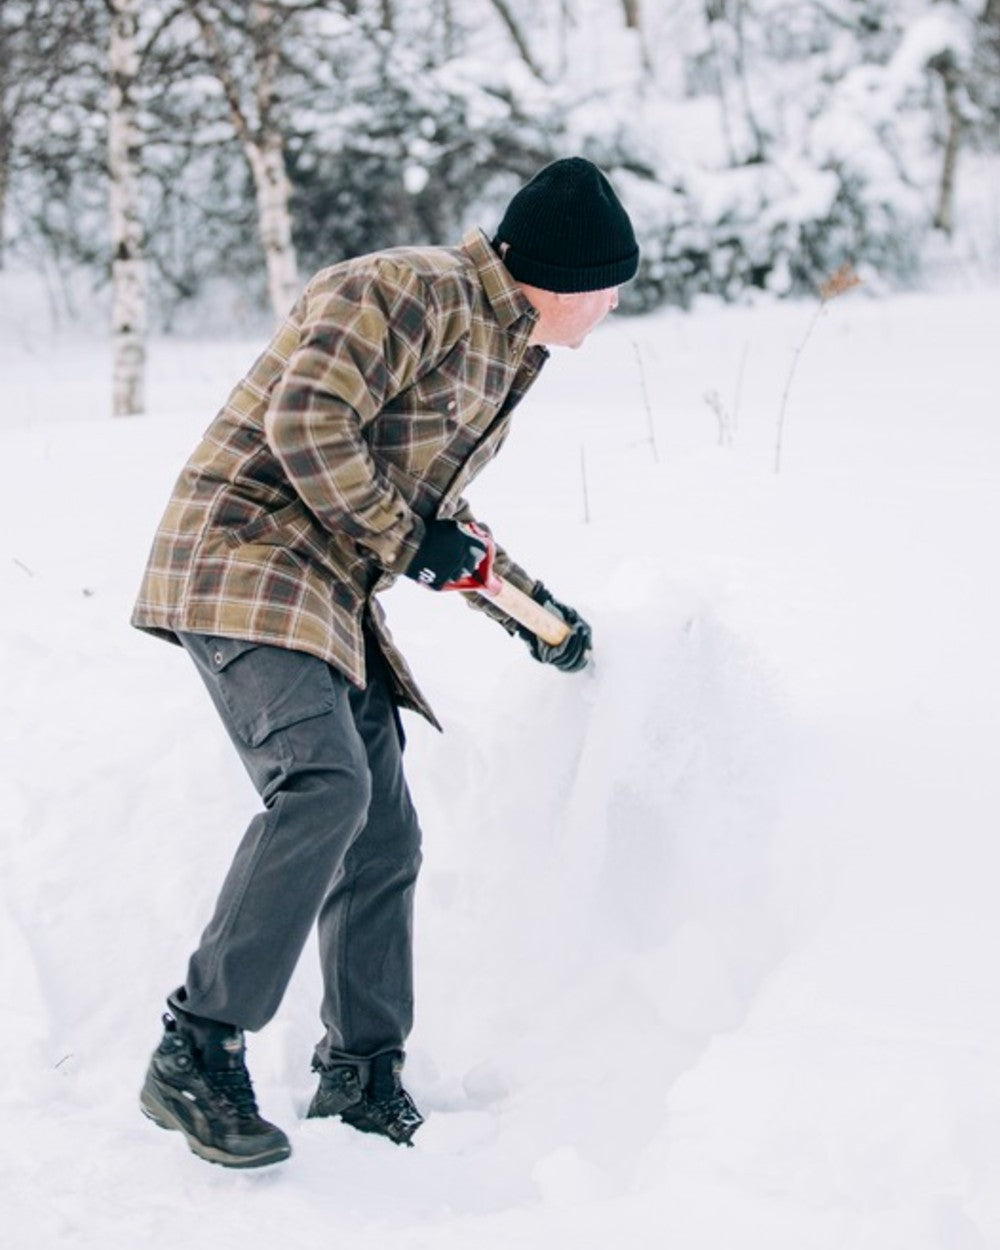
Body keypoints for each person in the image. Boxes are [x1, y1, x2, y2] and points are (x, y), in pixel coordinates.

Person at [132, 156, 639, 1168]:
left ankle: (360, 1071)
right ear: (572, 280)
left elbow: (429, 509)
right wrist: (412, 542)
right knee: (324, 782)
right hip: (247, 554)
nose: (613, 309)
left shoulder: (500, 348)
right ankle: (196, 1043)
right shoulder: (405, 288)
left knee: (383, 832)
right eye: (613, 291)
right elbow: (307, 422)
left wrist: (532, 611)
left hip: (326, 584)